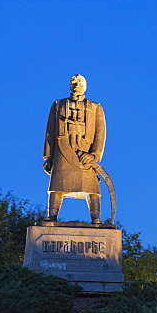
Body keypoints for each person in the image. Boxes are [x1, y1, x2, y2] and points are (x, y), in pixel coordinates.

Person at [42, 74, 106, 223]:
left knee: (92, 187)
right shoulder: (58, 104)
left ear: (85, 86)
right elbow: (50, 131)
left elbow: (100, 134)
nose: (76, 85)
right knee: (57, 184)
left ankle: (96, 218)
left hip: (85, 152)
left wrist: (95, 155)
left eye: (79, 82)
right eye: (73, 82)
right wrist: (48, 157)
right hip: (62, 149)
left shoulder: (95, 107)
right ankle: (52, 216)